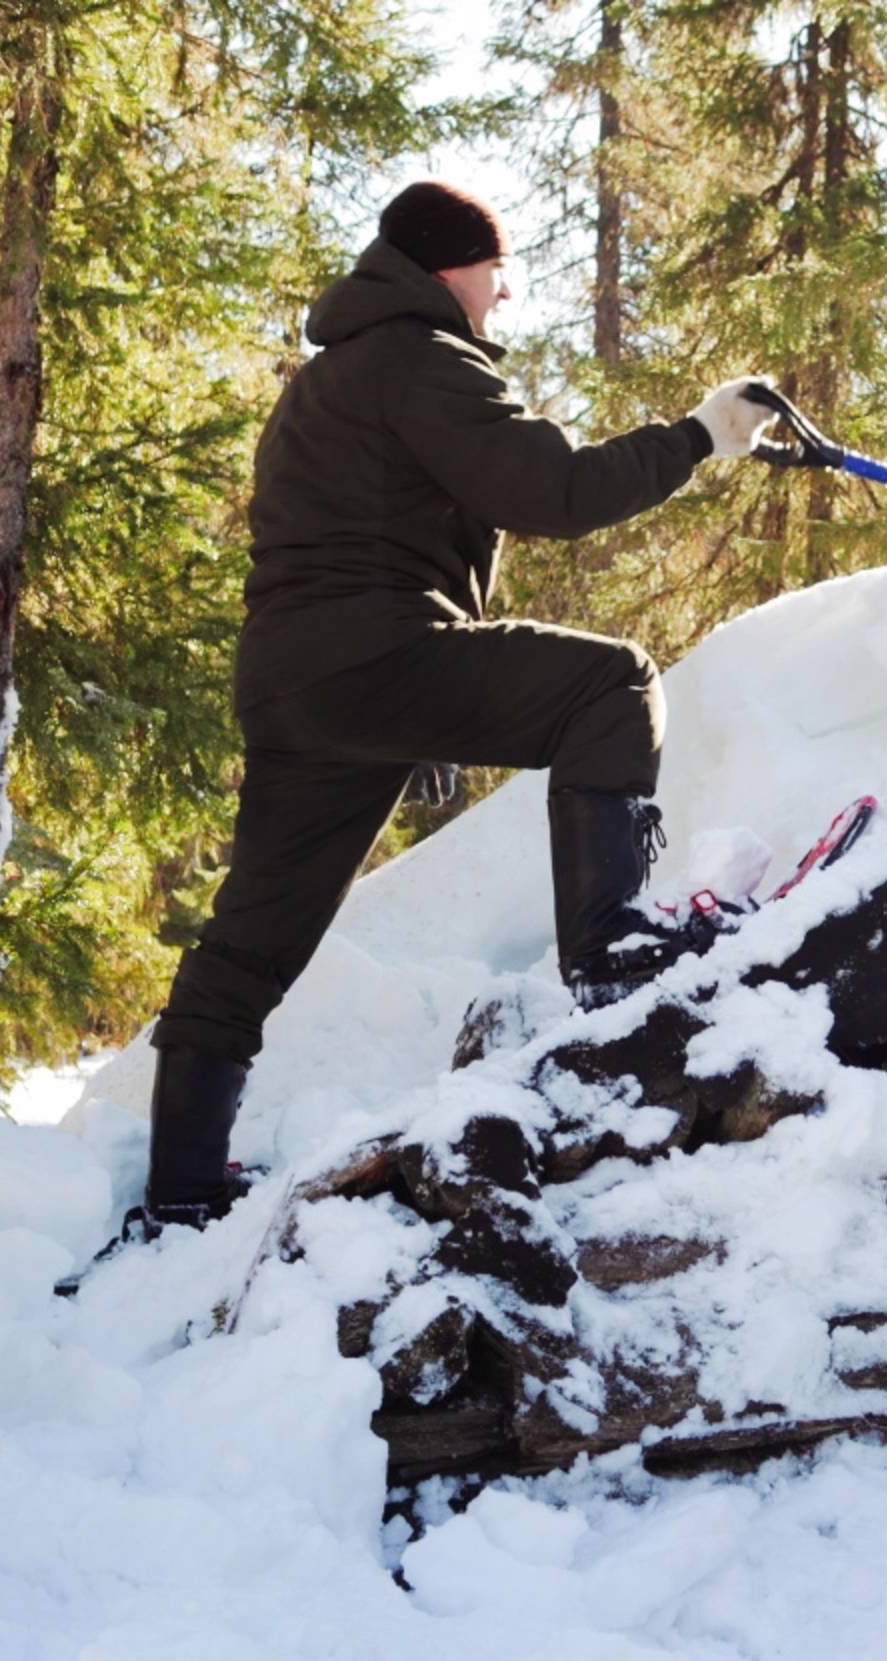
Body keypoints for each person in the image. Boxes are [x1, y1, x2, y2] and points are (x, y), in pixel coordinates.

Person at [135, 180, 773, 1235]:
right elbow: (552, 491)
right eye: (496, 273)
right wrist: (700, 436)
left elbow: (365, 538)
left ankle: (182, 1183)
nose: (505, 296)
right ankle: (611, 949)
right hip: (375, 657)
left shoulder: (332, 377)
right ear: (448, 270)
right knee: (612, 683)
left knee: (251, 940)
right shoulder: (420, 358)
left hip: (300, 682)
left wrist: (421, 709)